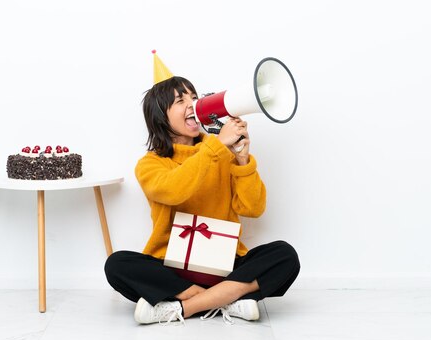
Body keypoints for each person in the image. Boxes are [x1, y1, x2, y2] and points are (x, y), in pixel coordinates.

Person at [104, 53, 300, 325]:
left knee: (284, 255)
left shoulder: (221, 152)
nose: (192, 104)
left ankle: (184, 307)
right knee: (117, 264)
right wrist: (217, 145)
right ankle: (229, 300)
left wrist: (242, 160)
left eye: (193, 97)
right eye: (180, 100)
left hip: (225, 264)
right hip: (172, 268)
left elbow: (253, 209)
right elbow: (175, 190)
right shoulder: (150, 164)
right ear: (161, 115)